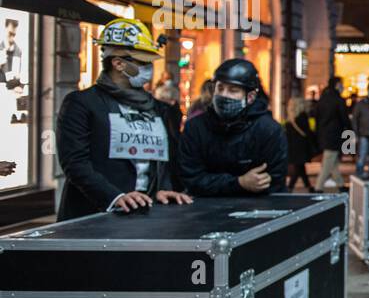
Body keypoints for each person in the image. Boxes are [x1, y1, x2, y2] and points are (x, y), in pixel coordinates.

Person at [55, 18, 192, 220]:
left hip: (146, 215)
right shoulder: (82, 103)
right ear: (118, 63)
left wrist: (161, 189)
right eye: (142, 62)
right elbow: (75, 163)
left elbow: (161, 159)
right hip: (95, 216)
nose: (149, 68)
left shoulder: (159, 108)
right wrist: (114, 196)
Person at [178, 58, 287, 197]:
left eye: (233, 90)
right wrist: (239, 183)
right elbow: (190, 178)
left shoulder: (269, 130)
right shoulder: (195, 128)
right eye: (220, 88)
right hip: (205, 212)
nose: (224, 95)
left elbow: (272, 183)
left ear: (251, 97)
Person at [313, 76, 348, 191]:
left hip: (323, 135)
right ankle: (318, 186)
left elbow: (316, 118)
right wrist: (349, 134)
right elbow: (344, 119)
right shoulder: (338, 100)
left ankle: (341, 184)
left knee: (332, 162)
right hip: (334, 135)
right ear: (337, 85)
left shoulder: (322, 99)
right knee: (328, 162)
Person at [284, 96, 317, 192]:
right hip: (301, 148)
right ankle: (290, 187)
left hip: (293, 149)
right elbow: (308, 133)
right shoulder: (302, 117)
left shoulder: (289, 120)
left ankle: (308, 187)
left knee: (300, 168)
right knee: (298, 168)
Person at [351, 88, 369, 180]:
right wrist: (356, 132)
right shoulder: (361, 104)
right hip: (363, 133)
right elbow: (355, 119)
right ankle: (359, 172)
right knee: (362, 154)